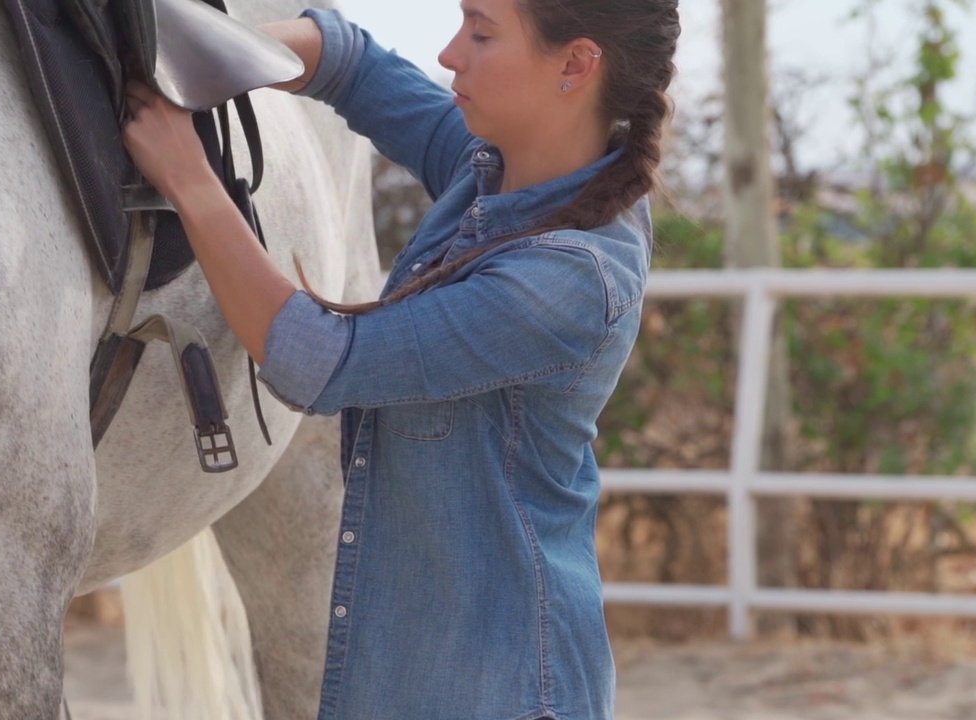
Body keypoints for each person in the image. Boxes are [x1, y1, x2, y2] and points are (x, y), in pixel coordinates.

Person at [122, 0, 679, 717]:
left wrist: (193, 183)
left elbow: (317, 359)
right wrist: (223, 47)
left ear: (576, 63)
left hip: (503, 691)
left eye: (481, 33)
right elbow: (351, 64)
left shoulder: (568, 278)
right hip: (422, 677)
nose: (451, 54)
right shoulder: (496, 172)